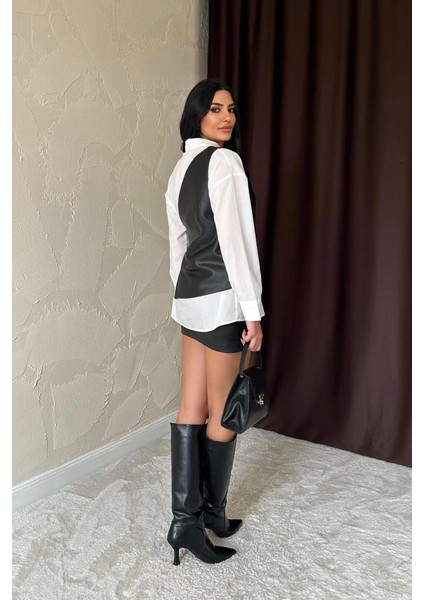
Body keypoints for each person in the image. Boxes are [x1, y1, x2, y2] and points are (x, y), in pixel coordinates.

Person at [165, 78, 265, 566]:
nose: (226, 117)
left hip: (190, 299)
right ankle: (206, 515)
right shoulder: (225, 163)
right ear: (197, 114)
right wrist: (253, 310)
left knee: (192, 403)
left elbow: (177, 244)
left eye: (231, 109)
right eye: (215, 109)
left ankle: (192, 520)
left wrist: (183, 293)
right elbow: (236, 242)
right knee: (224, 410)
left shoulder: (180, 168)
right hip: (223, 299)